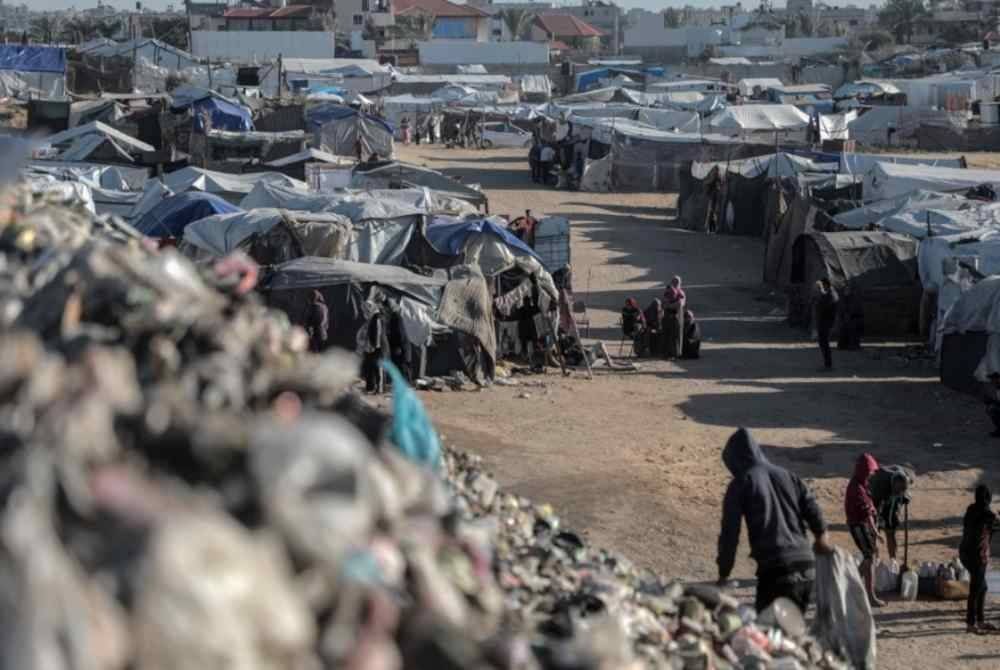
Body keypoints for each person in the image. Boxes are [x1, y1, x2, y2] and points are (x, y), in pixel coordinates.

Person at [717, 428, 833, 613]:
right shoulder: (787, 475)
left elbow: (730, 532)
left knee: (768, 637)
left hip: (776, 572)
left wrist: (723, 574)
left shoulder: (742, 482)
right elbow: (811, 506)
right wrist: (821, 536)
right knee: (793, 636)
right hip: (807, 569)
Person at [845, 453, 886, 608]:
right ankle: (866, 594)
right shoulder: (857, 488)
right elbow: (867, 513)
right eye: (869, 472)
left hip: (861, 524)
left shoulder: (860, 484)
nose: (870, 475)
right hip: (858, 525)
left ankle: (853, 587)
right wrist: (875, 532)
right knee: (869, 558)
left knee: (869, 558)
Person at [960, 485, 997, 634]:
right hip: (977, 556)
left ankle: (980, 621)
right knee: (976, 589)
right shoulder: (988, 515)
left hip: (964, 553)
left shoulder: (970, 509)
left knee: (982, 587)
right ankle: (971, 623)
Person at [868, 464, 913, 561]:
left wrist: (905, 497)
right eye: (897, 491)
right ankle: (875, 560)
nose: (899, 493)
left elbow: (905, 492)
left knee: (891, 530)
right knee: (874, 532)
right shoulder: (879, 485)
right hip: (876, 500)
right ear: (892, 485)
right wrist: (876, 524)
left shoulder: (907, 479)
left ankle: (893, 561)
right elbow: (874, 508)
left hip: (892, 501)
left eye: (902, 491)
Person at [815, 278, 839, 370]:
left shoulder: (830, 294)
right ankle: (827, 363)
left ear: (826, 285)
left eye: (822, 285)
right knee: (823, 344)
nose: (821, 287)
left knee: (824, 344)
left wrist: (820, 294)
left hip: (826, 323)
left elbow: (824, 306)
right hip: (825, 322)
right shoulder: (829, 293)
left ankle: (828, 364)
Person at [663, 276, 686, 359]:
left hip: (677, 318)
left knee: (676, 336)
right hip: (667, 317)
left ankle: (676, 354)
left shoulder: (681, 293)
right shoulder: (667, 291)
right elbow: (664, 302)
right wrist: (669, 305)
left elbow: (680, 303)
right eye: (674, 281)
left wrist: (670, 305)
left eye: (677, 282)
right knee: (667, 335)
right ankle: (667, 353)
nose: (675, 283)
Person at [837, 283, 864, 350]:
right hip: (845, 319)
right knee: (843, 327)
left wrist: (849, 315)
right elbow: (841, 310)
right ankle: (843, 345)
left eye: (848, 290)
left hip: (854, 318)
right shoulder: (843, 299)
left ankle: (853, 345)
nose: (846, 291)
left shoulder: (854, 299)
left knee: (852, 326)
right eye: (845, 290)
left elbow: (856, 309)